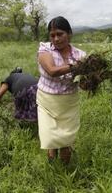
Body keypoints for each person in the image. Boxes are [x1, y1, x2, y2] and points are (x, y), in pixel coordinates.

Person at [36, 16, 86, 164]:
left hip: (69, 103)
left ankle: (65, 171)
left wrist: (93, 76)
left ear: (69, 33)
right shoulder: (45, 49)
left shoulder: (80, 55)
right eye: (52, 35)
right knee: (50, 137)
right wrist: (75, 66)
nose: (56, 39)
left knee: (66, 140)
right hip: (47, 102)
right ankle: (51, 160)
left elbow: (82, 84)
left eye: (60, 34)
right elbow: (52, 71)